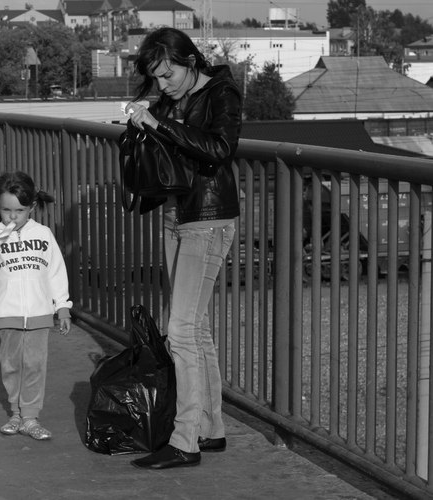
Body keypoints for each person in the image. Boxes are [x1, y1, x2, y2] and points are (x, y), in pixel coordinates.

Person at [124, 27, 242, 469]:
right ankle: (211, 428)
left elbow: (220, 148)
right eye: (156, 78)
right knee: (197, 330)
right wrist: (145, 118)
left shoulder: (222, 93)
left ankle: (185, 440)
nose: (163, 84)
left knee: (182, 332)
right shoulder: (172, 98)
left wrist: (160, 122)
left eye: (168, 74)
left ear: (190, 60)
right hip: (179, 215)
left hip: (209, 219)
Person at [0, 171, 72, 440]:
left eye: (19, 210)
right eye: (6, 210)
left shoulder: (44, 234)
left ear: (31, 208)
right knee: (11, 364)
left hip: (39, 313)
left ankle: (30, 418)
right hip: (8, 313)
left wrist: (62, 306)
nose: (12, 217)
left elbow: (56, 272)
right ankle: (15, 413)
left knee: (35, 364)